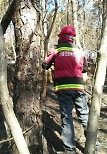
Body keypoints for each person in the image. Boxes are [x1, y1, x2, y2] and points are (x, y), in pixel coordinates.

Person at [42, 25, 100, 154]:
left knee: (67, 118)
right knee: (84, 116)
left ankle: (70, 150)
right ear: (72, 38)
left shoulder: (56, 50)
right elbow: (84, 68)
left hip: (63, 89)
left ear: (61, 37)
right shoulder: (80, 51)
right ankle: (94, 144)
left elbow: (45, 64)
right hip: (79, 89)